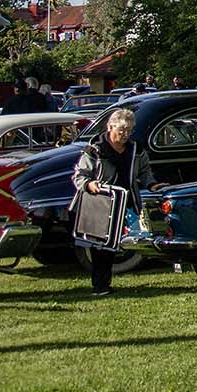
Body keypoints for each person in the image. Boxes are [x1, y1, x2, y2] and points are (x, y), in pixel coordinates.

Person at [70, 107, 156, 296]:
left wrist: (151, 184)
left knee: (122, 244)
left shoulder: (136, 149)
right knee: (100, 247)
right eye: (121, 130)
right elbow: (80, 176)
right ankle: (100, 286)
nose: (125, 135)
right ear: (110, 127)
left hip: (126, 201)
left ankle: (104, 283)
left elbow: (145, 171)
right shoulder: (94, 149)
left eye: (129, 131)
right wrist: (90, 185)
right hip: (100, 203)